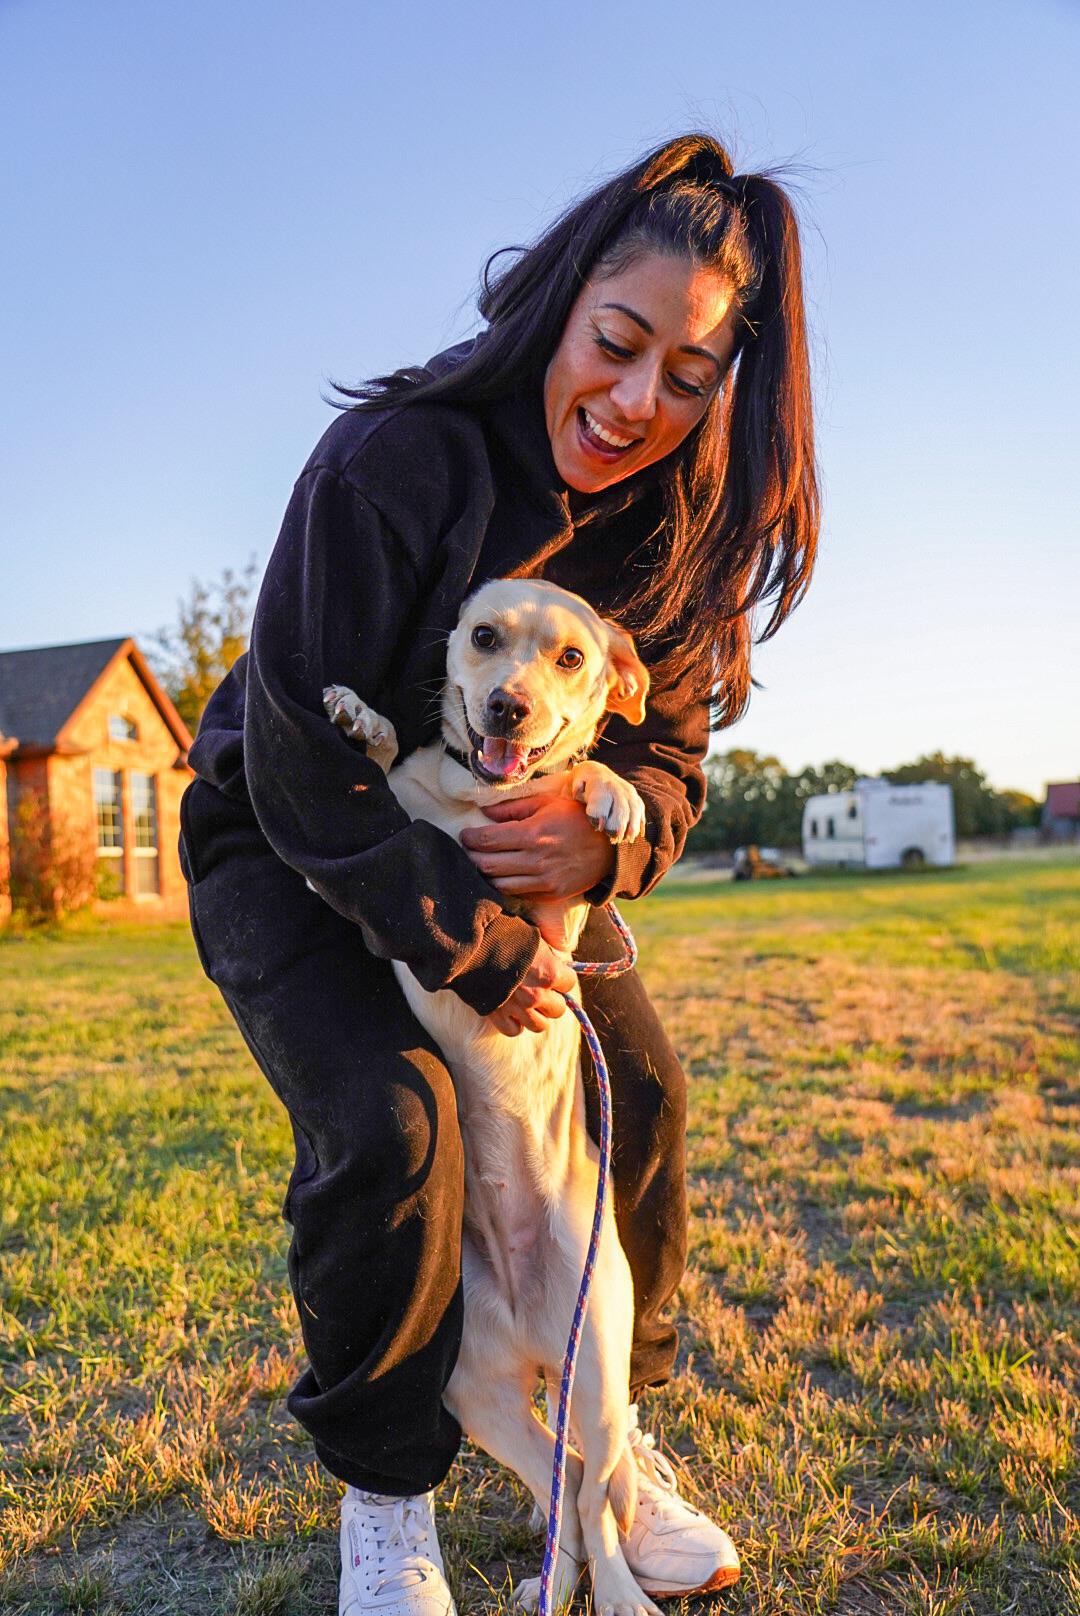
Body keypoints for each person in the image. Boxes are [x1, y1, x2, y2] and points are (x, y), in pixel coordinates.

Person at [178, 132, 819, 1616]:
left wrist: (622, 831)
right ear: (561, 304)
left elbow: (674, 758)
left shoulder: (681, 532)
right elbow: (286, 753)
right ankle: (388, 1501)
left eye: (688, 376)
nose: (636, 399)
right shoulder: (396, 462)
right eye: (617, 344)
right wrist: (468, 939)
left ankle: (613, 1441)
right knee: (393, 1119)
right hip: (297, 834)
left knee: (640, 1087)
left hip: (524, 862)